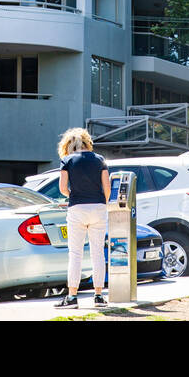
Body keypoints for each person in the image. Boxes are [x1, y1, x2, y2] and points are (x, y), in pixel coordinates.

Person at [54, 127, 111, 308]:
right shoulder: (100, 160)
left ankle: (72, 297)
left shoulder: (67, 160)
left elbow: (63, 188)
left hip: (77, 208)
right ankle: (99, 296)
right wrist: (103, 202)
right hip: (99, 208)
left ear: (69, 145)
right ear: (88, 142)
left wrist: (73, 194)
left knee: (76, 253)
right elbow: (107, 187)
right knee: (98, 253)